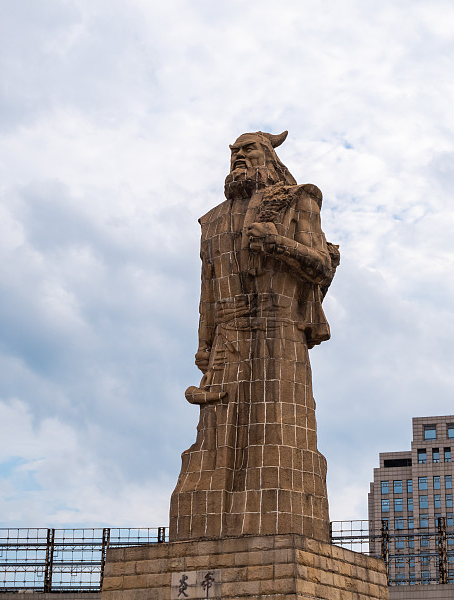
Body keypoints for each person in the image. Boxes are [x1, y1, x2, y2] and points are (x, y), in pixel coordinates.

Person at [169, 130, 339, 542]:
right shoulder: (210, 221)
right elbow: (207, 289)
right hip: (227, 333)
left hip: (279, 329)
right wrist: (204, 344)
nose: (239, 157)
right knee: (214, 439)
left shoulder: (300, 198)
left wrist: (277, 245)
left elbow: (321, 265)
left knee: (276, 435)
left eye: (249, 150)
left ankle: (279, 524)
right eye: (234, 152)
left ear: (269, 156)